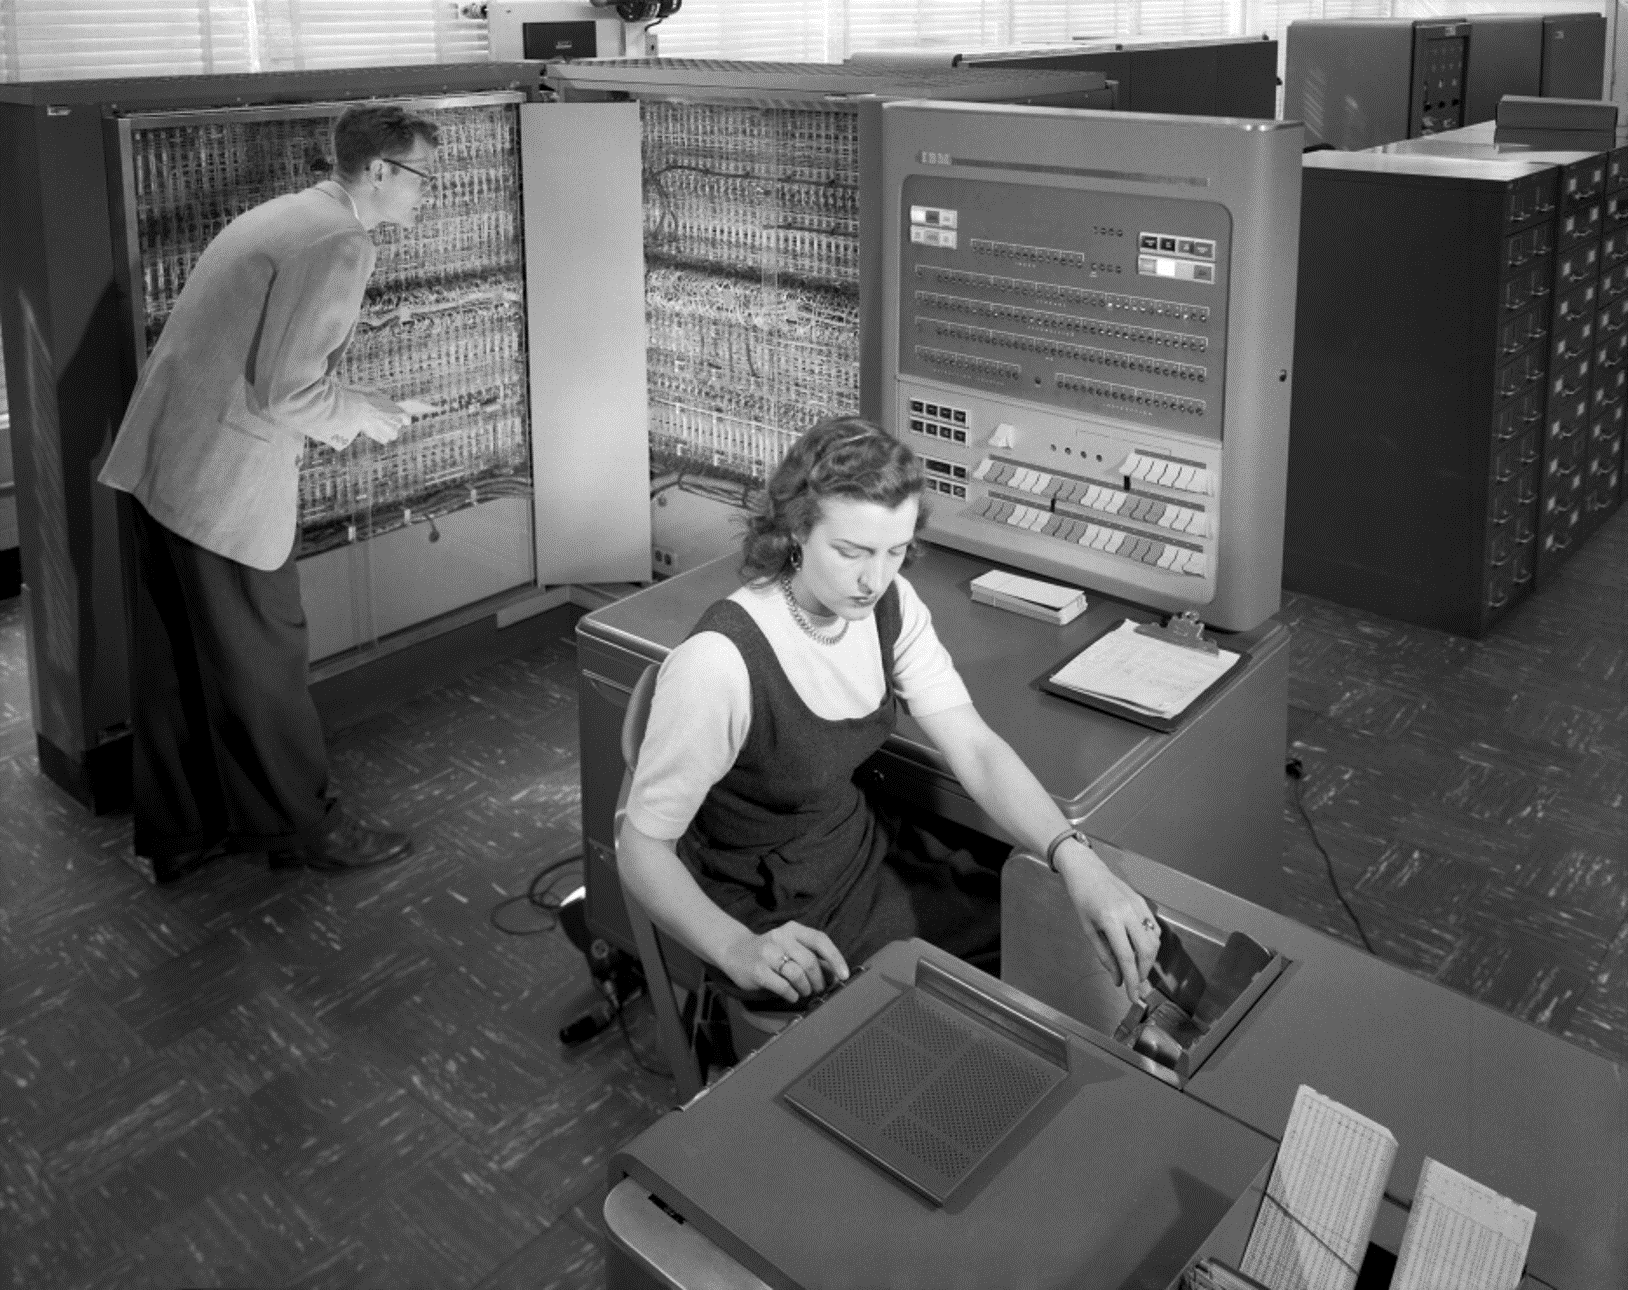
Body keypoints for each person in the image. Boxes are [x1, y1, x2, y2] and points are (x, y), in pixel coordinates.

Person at [619, 417, 1162, 1007]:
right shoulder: (717, 666)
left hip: (854, 846)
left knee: (1037, 926)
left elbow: (975, 748)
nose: (873, 579)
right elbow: (642, 849)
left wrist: (1072, 856)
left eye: (895, 552)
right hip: (771, 902)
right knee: (965, 1004)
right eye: (851, 552)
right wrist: (737, 948)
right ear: (796, 531)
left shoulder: (889, 604)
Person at [98, 103, 441, 883]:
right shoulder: (340, 242)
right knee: (265, 658)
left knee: (182, 664)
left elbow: (269, 363)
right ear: (379, 171)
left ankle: (184, 834)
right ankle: (304, 830)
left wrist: (367, 404)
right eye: (421, 175)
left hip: (163, 467)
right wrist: (368, 420)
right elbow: (289, 394)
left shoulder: (290, 215)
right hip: (221, 487)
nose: (429, 193)